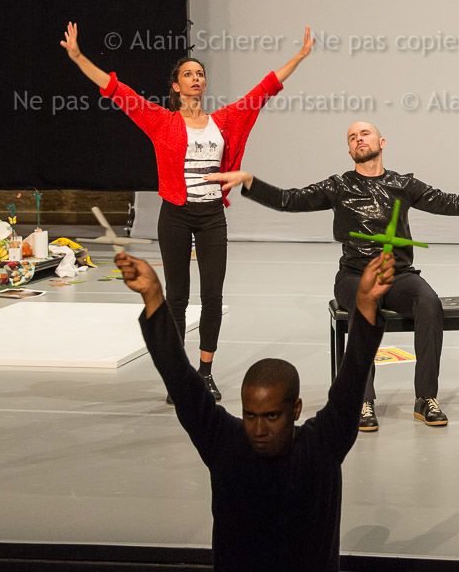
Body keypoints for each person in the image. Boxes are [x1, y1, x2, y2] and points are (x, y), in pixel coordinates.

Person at [209, 121, 459, 431]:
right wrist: (250, 182)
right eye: (352, 137)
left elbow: (451, 203)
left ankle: (425, 398)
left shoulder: (403, 184)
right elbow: (288, 200)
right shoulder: (338, 186)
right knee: (366, 305)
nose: (359, 139)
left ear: (382, 142)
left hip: (398, 275)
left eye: (365, 133)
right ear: (350, 150)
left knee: (428, 301)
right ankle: (363, 401)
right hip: (354, 276)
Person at [61, 21, 313, 401]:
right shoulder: (161, 121)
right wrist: (79, 56)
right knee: (176, 298)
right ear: (176, 86)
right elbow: (118, 91)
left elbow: (263, 90)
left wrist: (299, 56)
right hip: (176, 216)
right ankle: (179, 376)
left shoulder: (224, 121)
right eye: (188, 74)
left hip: (211, 217)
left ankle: (205, 372)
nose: (196, 78)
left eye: (200, 74)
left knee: (212, 297)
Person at [115, 246, 392, 572]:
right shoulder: (226, 443)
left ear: (296, 409)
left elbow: (354, 374)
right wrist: (153, 296)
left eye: (272, 416)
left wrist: (365, 304)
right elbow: (181, 380)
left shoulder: (321, 447)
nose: (259, 429)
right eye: (250, 415)